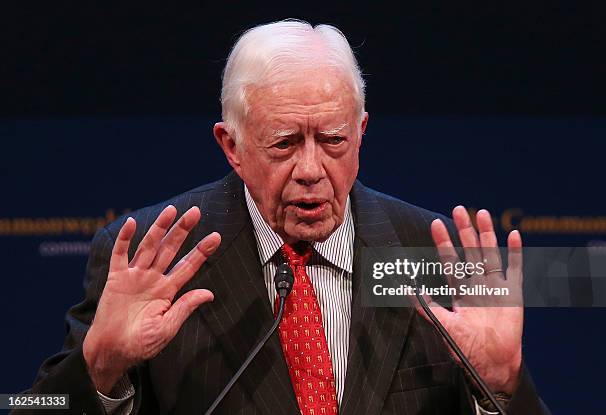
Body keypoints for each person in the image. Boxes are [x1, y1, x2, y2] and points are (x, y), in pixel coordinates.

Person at [17, 20, 549, 414]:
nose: (312, 169)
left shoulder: (428, 258)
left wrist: (502, 387)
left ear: (361, 132)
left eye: (334, 140)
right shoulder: (156, 261)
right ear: (232, 145)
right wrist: (100, 368)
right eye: (285, 143)